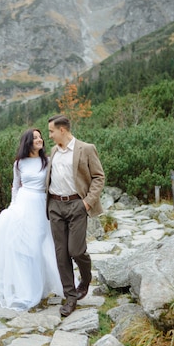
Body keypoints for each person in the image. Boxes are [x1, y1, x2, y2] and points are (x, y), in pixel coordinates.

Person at [0, 128, 64, 311]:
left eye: (40, 137)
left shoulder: (48, 161)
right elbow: (15, 187)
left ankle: (45, 286)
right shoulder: (19, 163)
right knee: (23, 248)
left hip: (40, 205)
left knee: (39, 246)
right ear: (28, 142)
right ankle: (26, 289)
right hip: (22, 205)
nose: (40, 140)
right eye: (35, 138)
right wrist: (12, 206)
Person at [46, 114, 105, 317]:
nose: (50, 136)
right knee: (61, 254)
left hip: (77, 205)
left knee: (77, 250)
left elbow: (99, 176)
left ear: (62, 130)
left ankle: (86, 279)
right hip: (55, 205)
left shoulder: (86, 149)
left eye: (51, 131)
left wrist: (87, 202)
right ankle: (70, 297)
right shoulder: (53, 151)